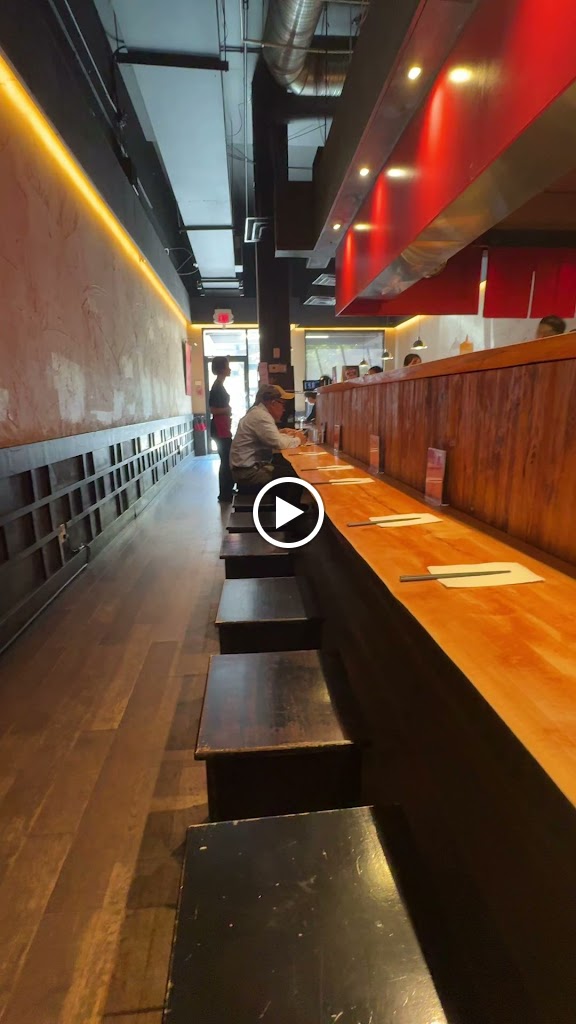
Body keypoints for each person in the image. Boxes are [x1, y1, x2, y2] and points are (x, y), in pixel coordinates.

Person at [230, 384, 306, 507]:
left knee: (287, 468)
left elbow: (273, 438)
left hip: (245, 470)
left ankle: (285, 508)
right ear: (272, 403)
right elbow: (279, 443)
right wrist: (299, 439)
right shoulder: (261, 416)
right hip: (247, 474)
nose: (284, 409)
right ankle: (288, 516)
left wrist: (282, 433)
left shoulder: (257, 412)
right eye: (283, 404)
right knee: (293, 477)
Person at [208, 356, 234, 504]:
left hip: (222, 426)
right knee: (225, 460)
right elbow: (213, 409)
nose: (229, 369)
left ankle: (227, 490)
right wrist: (227, 410)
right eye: (227, 366)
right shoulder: (216, 387)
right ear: (222, 369)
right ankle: (224, 494)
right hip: (219, 427)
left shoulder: (219, 385)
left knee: (226, 459)